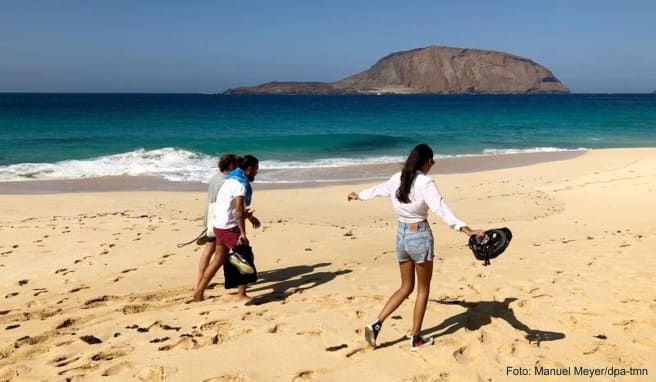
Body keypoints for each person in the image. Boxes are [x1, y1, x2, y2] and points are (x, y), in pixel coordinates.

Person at [347, 143, 484, 351]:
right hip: (419, 235)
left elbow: (378, 190)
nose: (433, 165)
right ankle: (417, 338)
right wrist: (467, 230)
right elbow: (441, 209)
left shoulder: (398, 178)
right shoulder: (426, 182)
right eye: (433, 161)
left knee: (405, 287)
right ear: (427, 161)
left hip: (401, 236)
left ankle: (376, 323)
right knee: (422, 289)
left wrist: (360, 195)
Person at [193, 154, 261, 303]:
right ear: (249, 169)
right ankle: (241, 295)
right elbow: (237, 211)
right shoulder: (240, 184)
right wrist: (243, 233)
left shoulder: (230, 179)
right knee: (246, 257)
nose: (257, 172)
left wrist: (249, 217)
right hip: (229, 227)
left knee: (218, 260)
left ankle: (198, 292)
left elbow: (233, 207)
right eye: (256, 169)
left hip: (219, 225)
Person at [194, 153, 238, 293]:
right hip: (219, 217)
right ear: (230, 165)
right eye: (235, 164)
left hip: (209, 214)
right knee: (222, 251)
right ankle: (232, 280)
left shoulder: (215, 177)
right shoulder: (227, 180)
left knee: (209, 249)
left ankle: (200, 280)